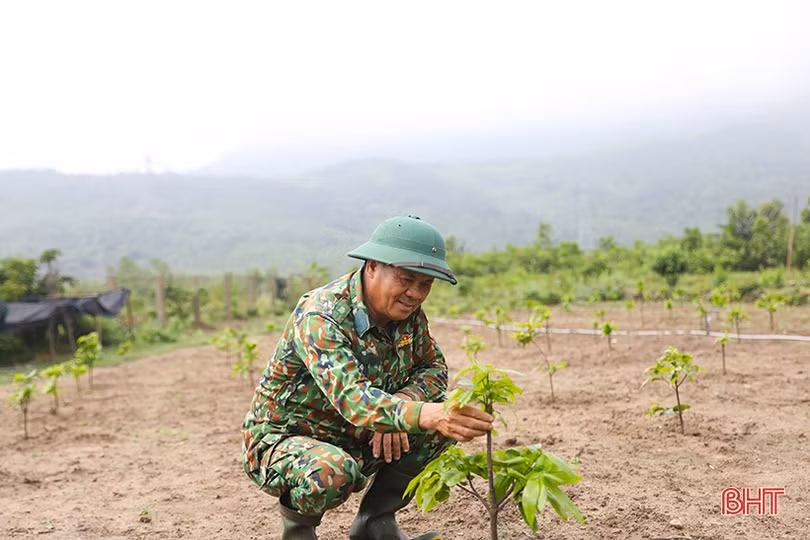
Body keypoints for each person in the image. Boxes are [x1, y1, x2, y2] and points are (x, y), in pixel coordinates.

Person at [241, 215, 494, 540]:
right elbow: (354, 399)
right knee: (333, 470)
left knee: (436, 428)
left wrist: (404, 402)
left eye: (426, 284)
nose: (415, 293)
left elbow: (433, 368)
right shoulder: (322, 316)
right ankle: (298, 534)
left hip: (358, 436)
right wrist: (419, 414)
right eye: (406, 279)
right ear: (373, 266)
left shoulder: (408, 316)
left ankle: (375, 524)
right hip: (285, 442)